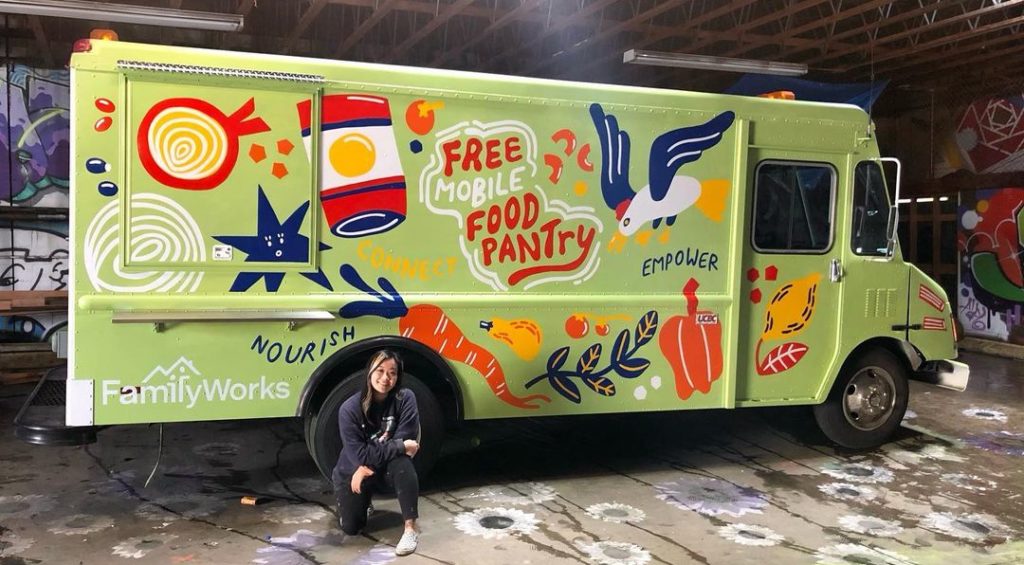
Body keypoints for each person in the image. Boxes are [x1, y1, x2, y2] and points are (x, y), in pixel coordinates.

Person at [332, 350, 421, 556]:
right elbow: (361, 455)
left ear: (398, 377)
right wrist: (363, 467)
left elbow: (405, 438)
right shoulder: (349, 409)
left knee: (402, 464)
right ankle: (364, 502)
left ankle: (410, 530)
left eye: (392, 373)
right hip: (353, 471)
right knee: (351, 528)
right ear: (369, 372)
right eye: (380, 371)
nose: (385, 378)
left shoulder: (406, 398)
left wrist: (368, 466)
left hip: (377, 468)